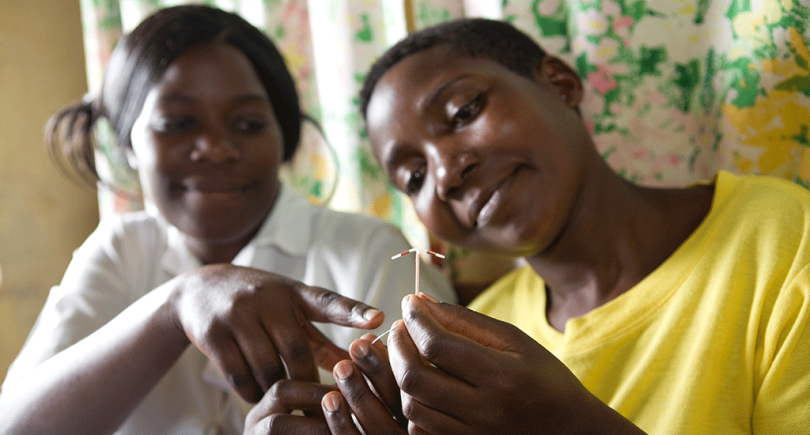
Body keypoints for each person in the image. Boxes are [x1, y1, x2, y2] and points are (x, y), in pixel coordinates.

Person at [299, 18, 809, 435]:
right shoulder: (475, 337)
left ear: (560, 86)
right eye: (414, 176)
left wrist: (571, 426)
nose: (447, 173)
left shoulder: (784, 243)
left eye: (462, 112)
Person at [0, 5, 455, 435]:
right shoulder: (121, 251)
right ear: (128, 144)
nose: (216, 149)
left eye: (248, 123)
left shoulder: (371, 252)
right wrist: (175, 305)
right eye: (177, 123)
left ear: (287, 140)